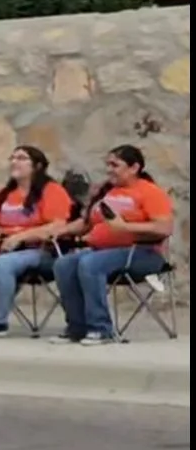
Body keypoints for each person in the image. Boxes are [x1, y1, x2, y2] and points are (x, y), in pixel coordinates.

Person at [49, 144, 176, 346]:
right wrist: (60, 230)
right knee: (64, 265)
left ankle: (101, 329)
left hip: (143, 254)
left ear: (134, 168)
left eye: (115, 165)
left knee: (90, 264)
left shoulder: (150, 192)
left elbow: (164, 228)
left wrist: (125, 227)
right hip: (104, 252)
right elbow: (86, 223)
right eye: (107, 164)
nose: (109, 170)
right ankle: (76, 327)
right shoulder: (106, 192)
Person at [0, 145, 72, 334]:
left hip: (41, 250)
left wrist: (20, 236)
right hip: (5, 247)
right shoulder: (4, 194)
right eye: (12, 158)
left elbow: (57, 226)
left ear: (38, 166)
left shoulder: (52, 190)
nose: (14, 162)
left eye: (21, 158)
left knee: (3, 264)